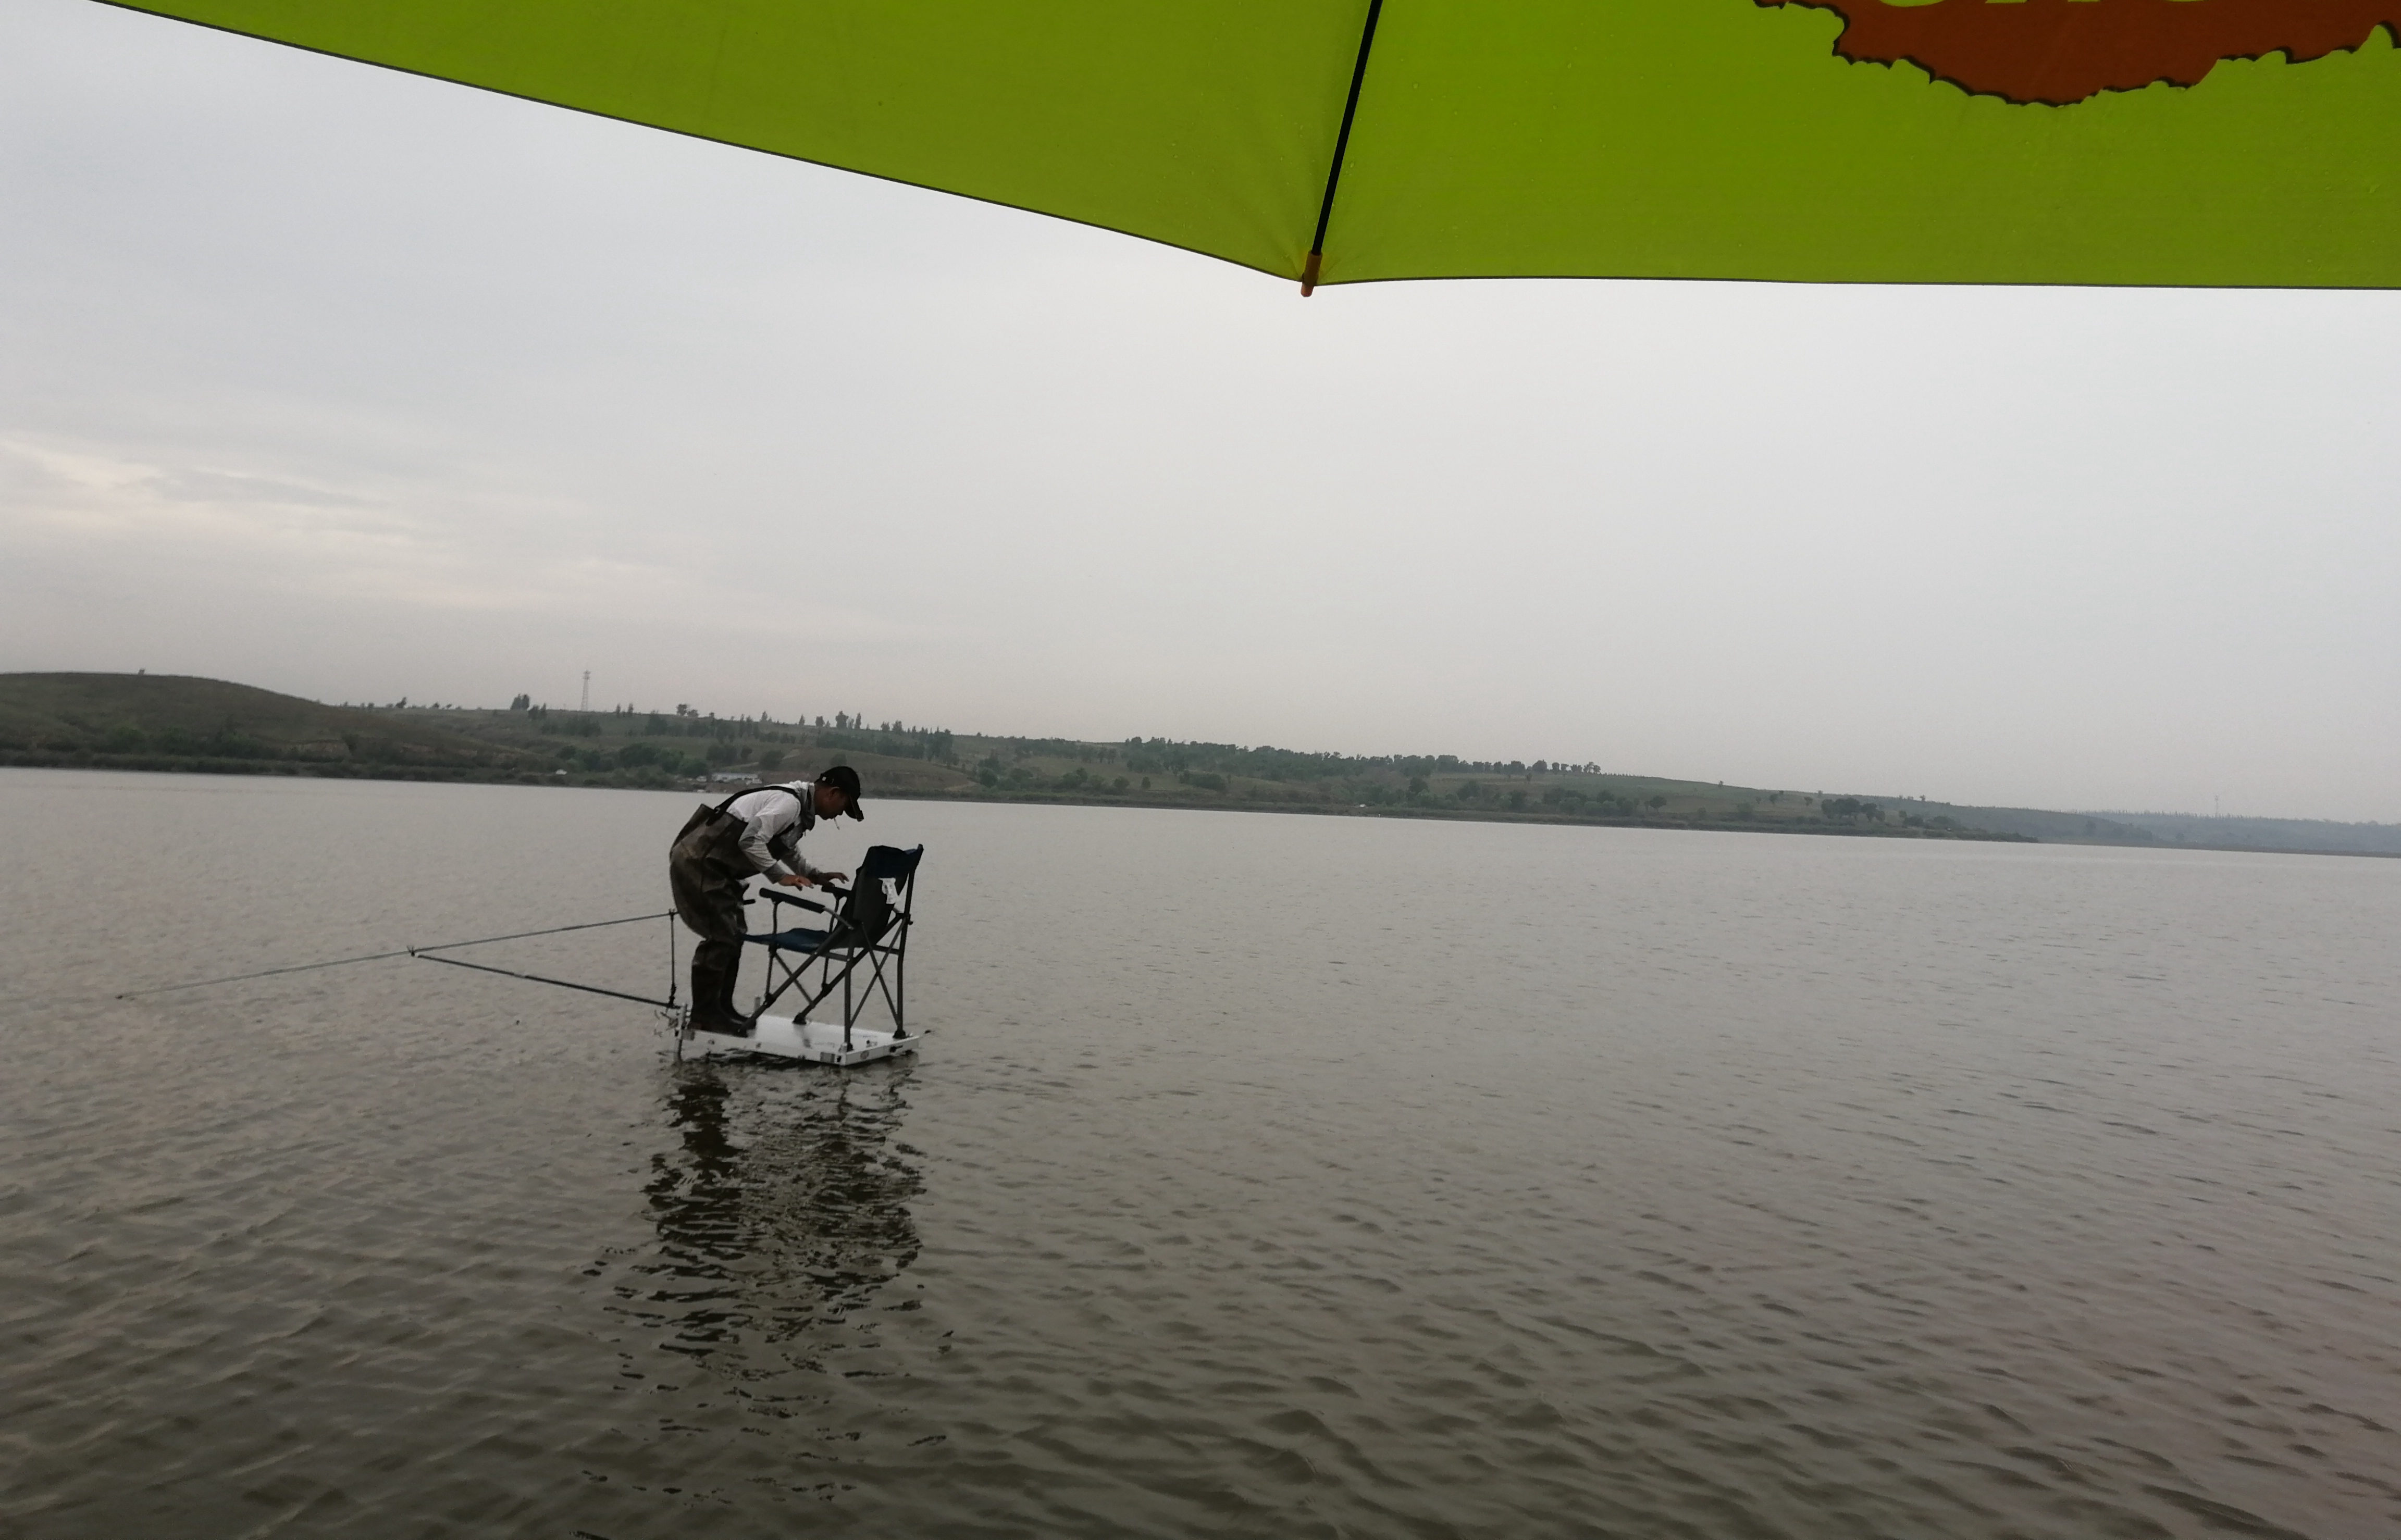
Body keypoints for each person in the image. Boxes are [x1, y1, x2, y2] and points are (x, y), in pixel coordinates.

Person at [669, 765, 863, 1035]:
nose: (839, 815)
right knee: (722, 936)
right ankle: (704, 1015)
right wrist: (780, 877)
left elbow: (787, 848)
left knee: (735, 934)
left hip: (718, 869)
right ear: (834, 793)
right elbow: (750, 840)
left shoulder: (797, 809)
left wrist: (814, 875)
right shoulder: (789, 804)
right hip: (699, 862)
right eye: (843, 808)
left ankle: (721, 1009)